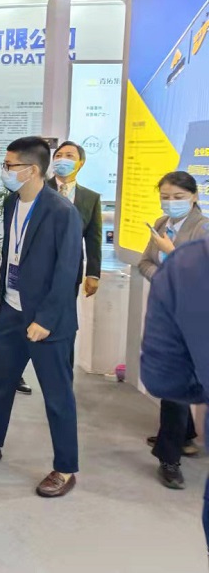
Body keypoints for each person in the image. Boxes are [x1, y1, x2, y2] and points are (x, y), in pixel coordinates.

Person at [0, 136, 82, 498]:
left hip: (46, 322)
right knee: (1, 380)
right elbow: (12, 253)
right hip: (12, 309)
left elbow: (68, 270)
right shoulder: (12, 202)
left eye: (10, 165)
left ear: (32, 170)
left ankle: (66, 468)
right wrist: (5, 304)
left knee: (57, 396)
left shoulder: (61, 211)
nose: (4, 171)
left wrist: (47, 319)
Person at [137, 170, 209, 489]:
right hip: (166, 315)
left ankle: (169, 459)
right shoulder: (161, 223)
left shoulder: (203, 229)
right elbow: (144, 263)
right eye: (165, 196)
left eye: (178, 197)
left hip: (193, 320)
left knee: (173, 388)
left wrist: (170, 252)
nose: (170, 202)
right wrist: (163, 276)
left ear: (194, 197)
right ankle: (186, 437)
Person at [140, 235, 209, 548]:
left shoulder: (191, 262)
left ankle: (173, 456)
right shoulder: (166, 234)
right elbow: (144, 262)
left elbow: (163, 379)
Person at [48, 141, 102, 298]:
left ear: (81, 163)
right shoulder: (38, 190)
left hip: (70, 269)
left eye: (69, 156)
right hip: (37, 269)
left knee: (66, 310)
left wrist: (93, 274)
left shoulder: (91, 198)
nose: (62, 159)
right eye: (58, 156)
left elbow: (93, 239)